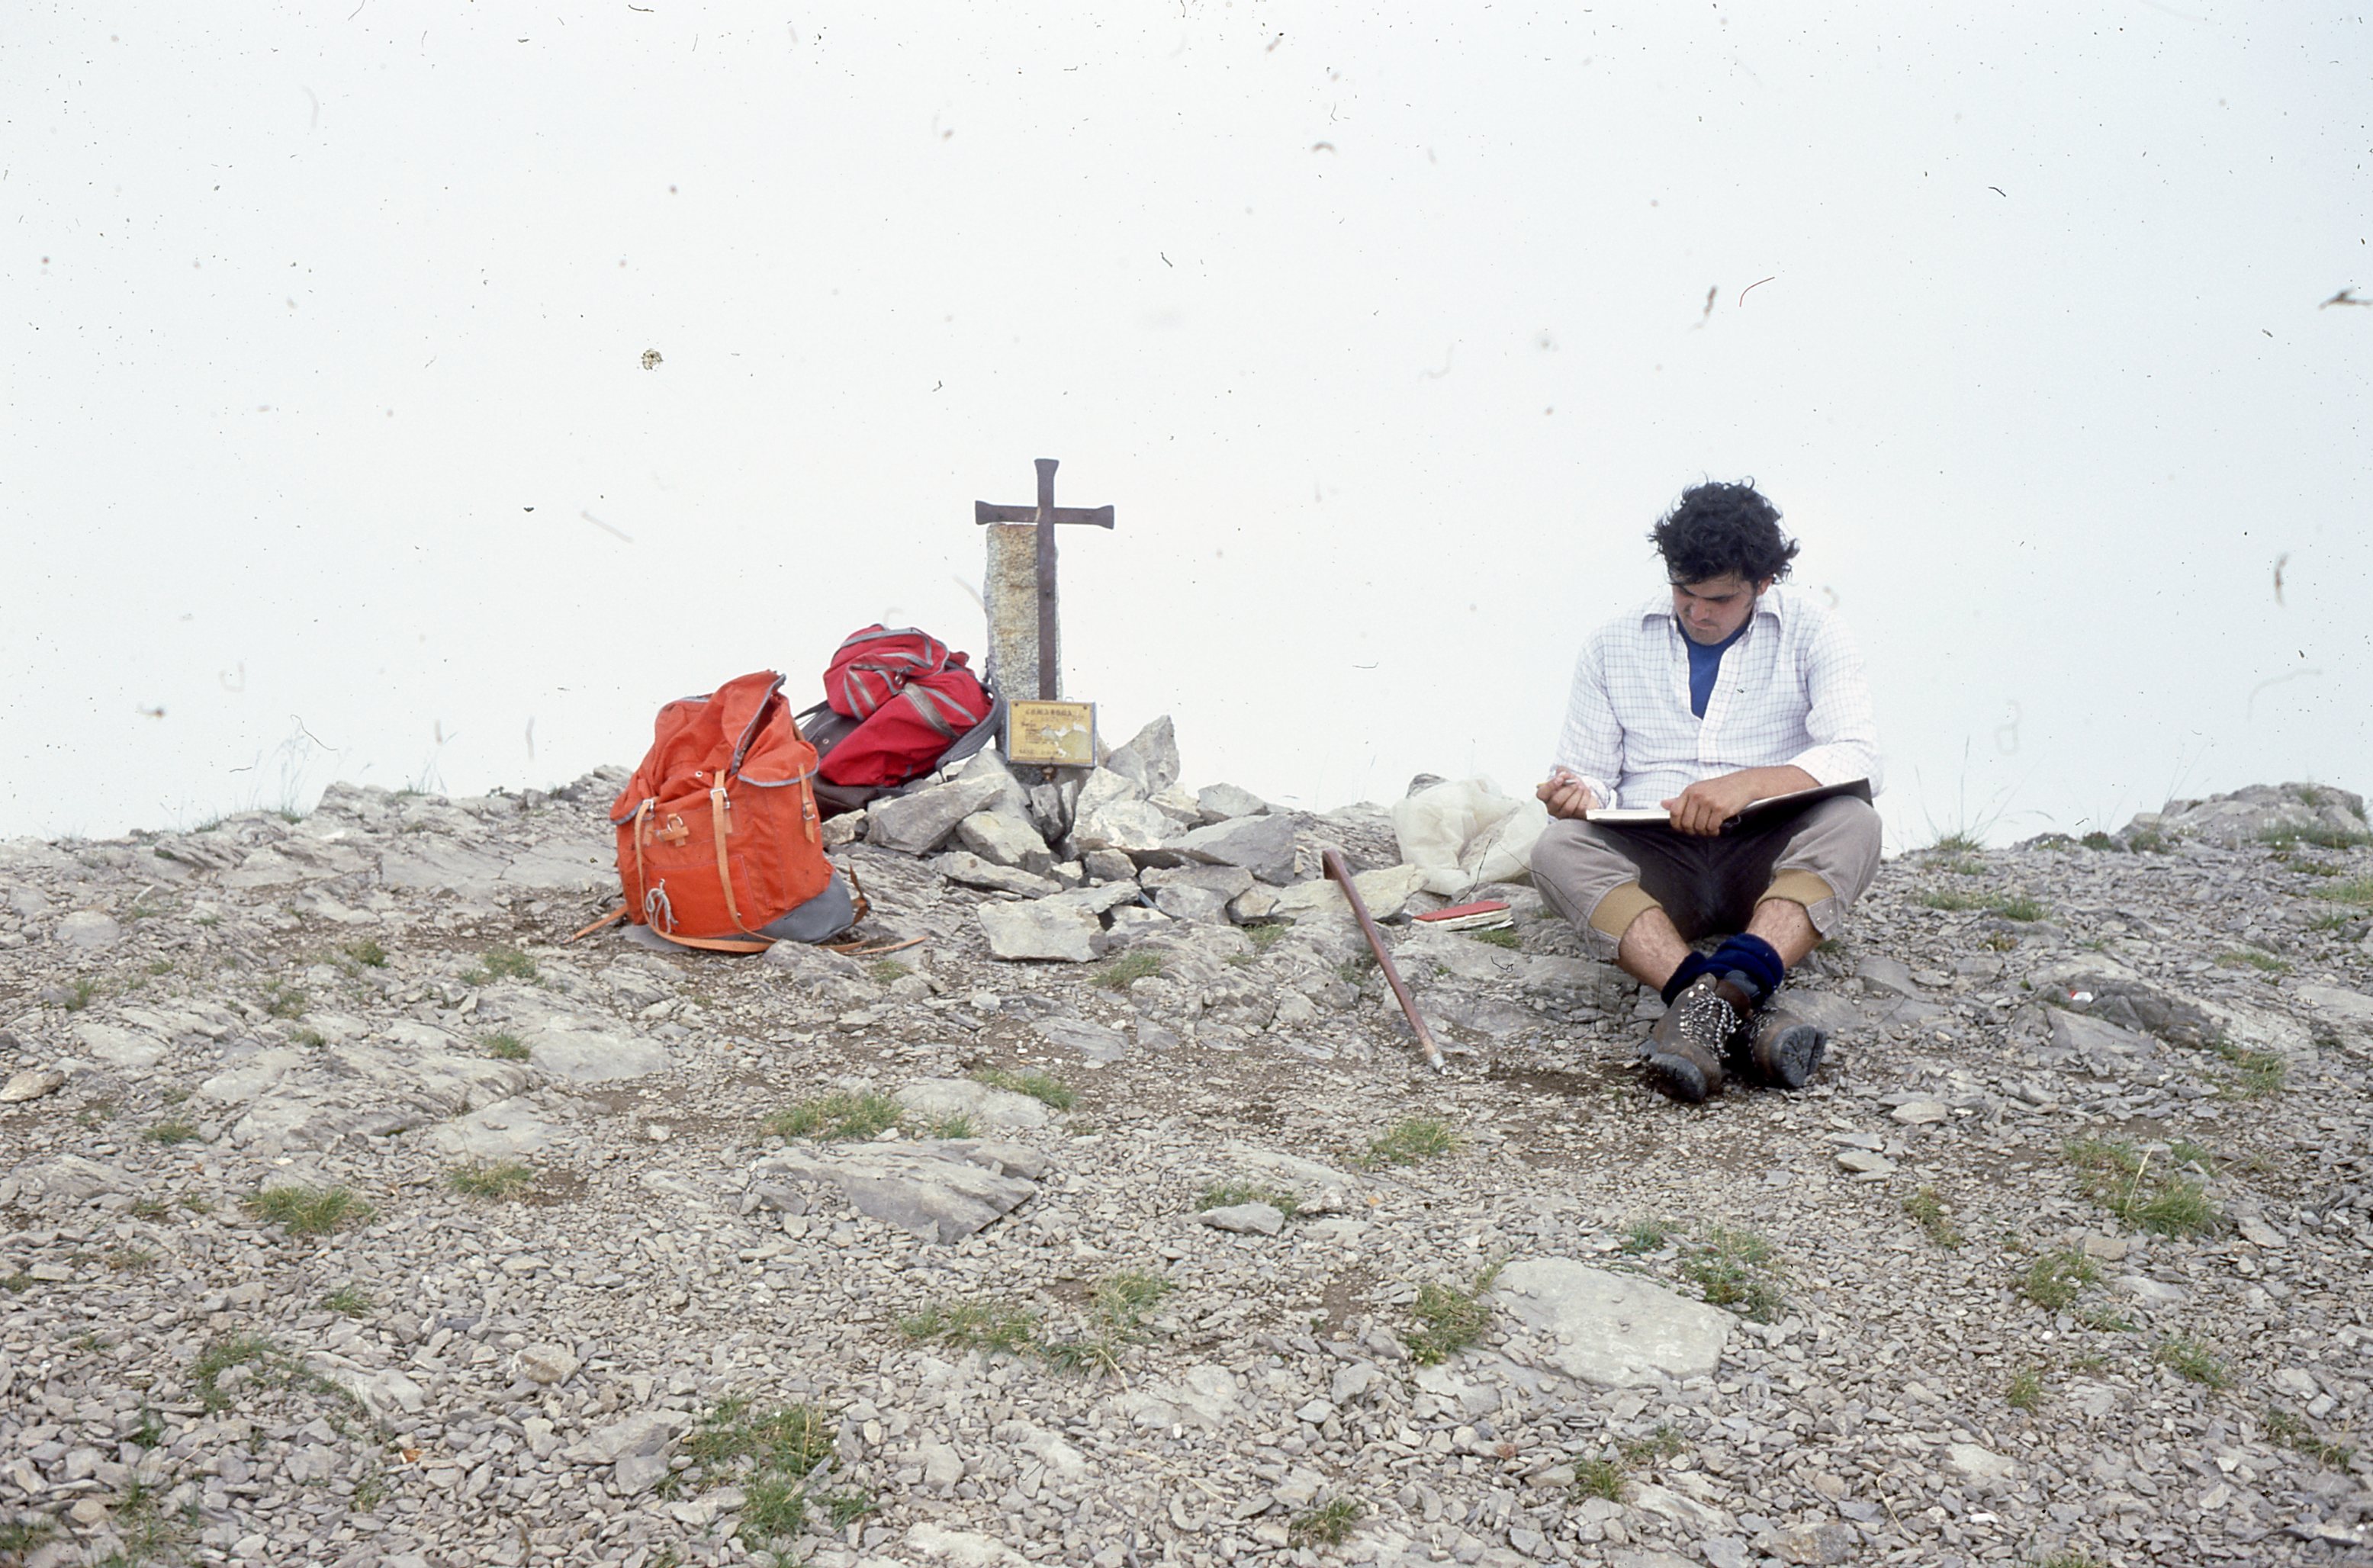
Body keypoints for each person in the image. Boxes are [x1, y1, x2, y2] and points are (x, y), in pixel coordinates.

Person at [1531, 480, 1883, 1102]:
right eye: (1683, 593)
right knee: (1556, 847)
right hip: (1659, 859)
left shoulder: (1814, 630)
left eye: (1718, 598)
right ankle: (1727, 1005)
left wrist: (1749, 784)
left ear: (1763, 582)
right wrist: (1575, 793)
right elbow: (1590, 774)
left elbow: (1858, 753)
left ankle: (1706, 1010)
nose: (1697, 613)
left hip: (1764, 855)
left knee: (1854, 821)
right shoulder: (1611, 643)